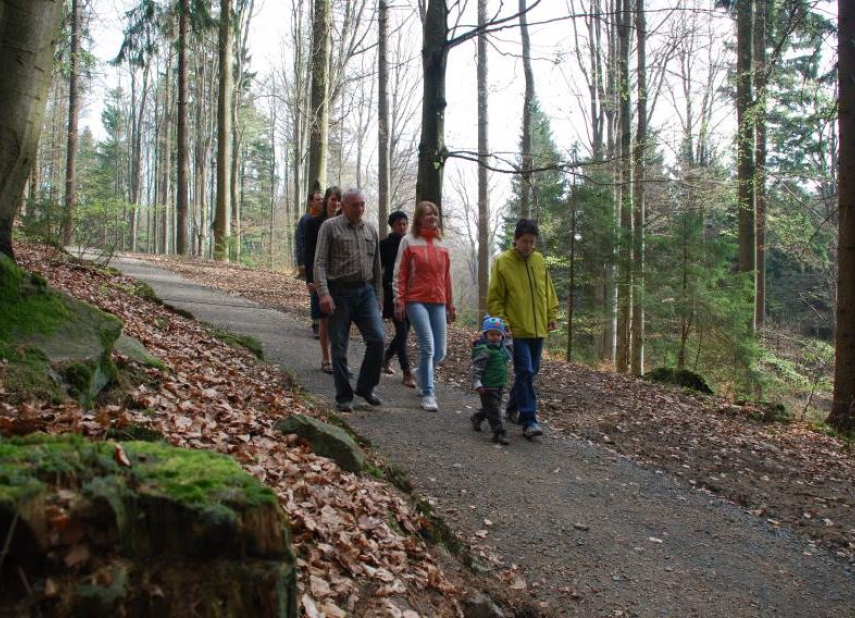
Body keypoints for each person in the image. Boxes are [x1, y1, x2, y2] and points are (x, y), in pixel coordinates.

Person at [314, 188, 385, 412]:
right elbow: (319, 263)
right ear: (343, 206)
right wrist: (324, 293)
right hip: (339, 292)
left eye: (362, 204)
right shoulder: (329, 227)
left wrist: (378, 296)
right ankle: (344, 397)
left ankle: (366, 386)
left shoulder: (370, 229)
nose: (360, 208)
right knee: (339, 347)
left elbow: (377, 267)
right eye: (355, 205)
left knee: (378, 339)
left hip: (366, 293)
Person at [487, 218, 559, 438]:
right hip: (516, 330)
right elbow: (495, 297)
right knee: (525, 371)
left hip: (538, 328)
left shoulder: (538, 260)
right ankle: (529, 420)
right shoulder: (503, 262)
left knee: (530, 372)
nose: (528, 246)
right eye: (525, 241)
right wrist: (503, 323)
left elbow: (548, 290)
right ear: (516, 239)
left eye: (532, 242)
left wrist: (551, 315)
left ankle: (511, 408)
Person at [393, 201, 456, 411]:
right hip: (415, 299)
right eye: (428, 214)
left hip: (438, 301)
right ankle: (428, 393)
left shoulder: (443, 244)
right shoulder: (408, 241)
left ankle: (420, 373)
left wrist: (450, 304)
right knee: (428, 346)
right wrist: (399, 299)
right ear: (419, 218)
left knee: (441, 351)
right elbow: (400, 272)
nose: (432, 217)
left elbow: (446, 277)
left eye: (435, 214)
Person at [304, 186, 342, 374]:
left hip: (340, 277)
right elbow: (309, 252)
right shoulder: (313, 223)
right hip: (320, 276)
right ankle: (326, 358)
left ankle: (339, 360)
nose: (336, 203)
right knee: (325, 319)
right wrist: (310, 279)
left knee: (340, 320)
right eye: (333, 199)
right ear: (327, 200)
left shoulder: (344, 222)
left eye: (339, 200)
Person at [380, 211, 416, 388]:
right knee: (402, 331)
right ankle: (406, 372)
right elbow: (378, 269)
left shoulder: (411, 243)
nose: (402, 227)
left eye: (405, 224)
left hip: (411, 293)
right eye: (399, 224)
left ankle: (385, 358)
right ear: (392, 226)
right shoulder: (384, 245)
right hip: (392, 293)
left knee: (405, 330)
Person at [470, 316, 513, 445]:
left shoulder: (501, 350)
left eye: (498, 335)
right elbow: (477, 368)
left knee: (492, 407)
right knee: (494, 410)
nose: (495, 337)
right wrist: (477, 383)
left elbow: (510, 351)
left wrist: (509, 337)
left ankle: (477, 417)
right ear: (485, 335)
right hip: (487, 386)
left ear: (502, 336)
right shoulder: (485, 351)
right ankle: (499, 432)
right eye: (492, 334)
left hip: (499, 384)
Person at [296, 190, 324, 338]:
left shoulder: (327, 218)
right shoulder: (306, 219)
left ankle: (325, 322)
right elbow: (300, 241)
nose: (320, 201)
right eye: (317, 199)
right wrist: (301, 262)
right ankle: (316, 322)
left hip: (325, 261)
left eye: (322, 199)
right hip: (311, 260)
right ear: (311, 202)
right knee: (315, 289)